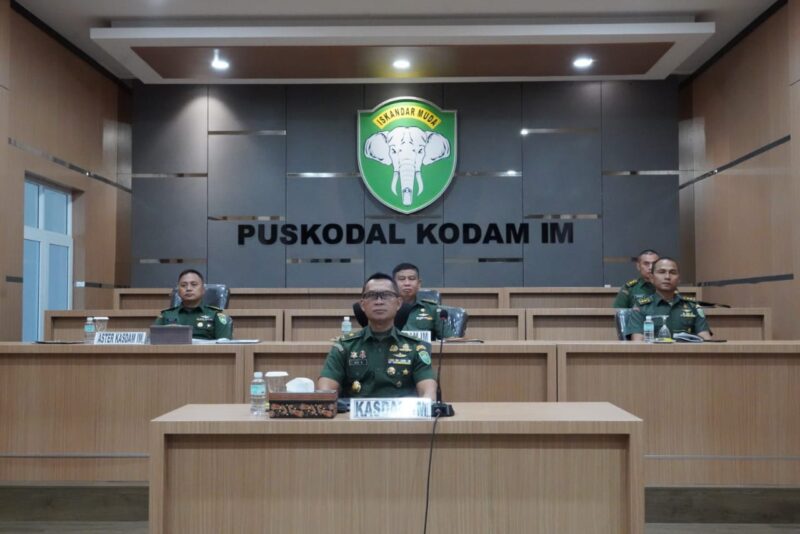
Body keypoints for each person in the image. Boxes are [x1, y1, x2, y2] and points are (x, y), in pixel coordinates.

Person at [317, 272, 437, 400]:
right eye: (372, 296)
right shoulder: (344, 346)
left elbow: (428, 393)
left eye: (386, 295)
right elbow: (325, 392)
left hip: (402, 418)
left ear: (398, 303)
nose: (379, 301)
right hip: (353, 418)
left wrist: (426, 405)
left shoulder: (416, 347)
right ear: (362, 305)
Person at [626, 257, 711, 340]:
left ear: (679, 279)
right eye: (661, 272)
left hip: (686, 353)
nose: (667, 277)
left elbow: (704, 336)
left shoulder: (692, 306)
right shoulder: (641, 306)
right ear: (651, 278)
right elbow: (638, 340)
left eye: (673, 272)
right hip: (653, 353)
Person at [154, 269, 233, 339]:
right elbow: (153, 344)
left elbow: (224, 345)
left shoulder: (216, 315)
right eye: (183, 285)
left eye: (194, 284)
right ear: (178, 291)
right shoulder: (165, 315)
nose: (188, 289)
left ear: (203, 290)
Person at [392, 262, 454, 340]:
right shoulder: (385, 308)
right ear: (393, 284)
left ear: (419, 284)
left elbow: (450, 340)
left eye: (411, 279)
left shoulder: (432, 310)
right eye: (402, 279)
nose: (407, 283)